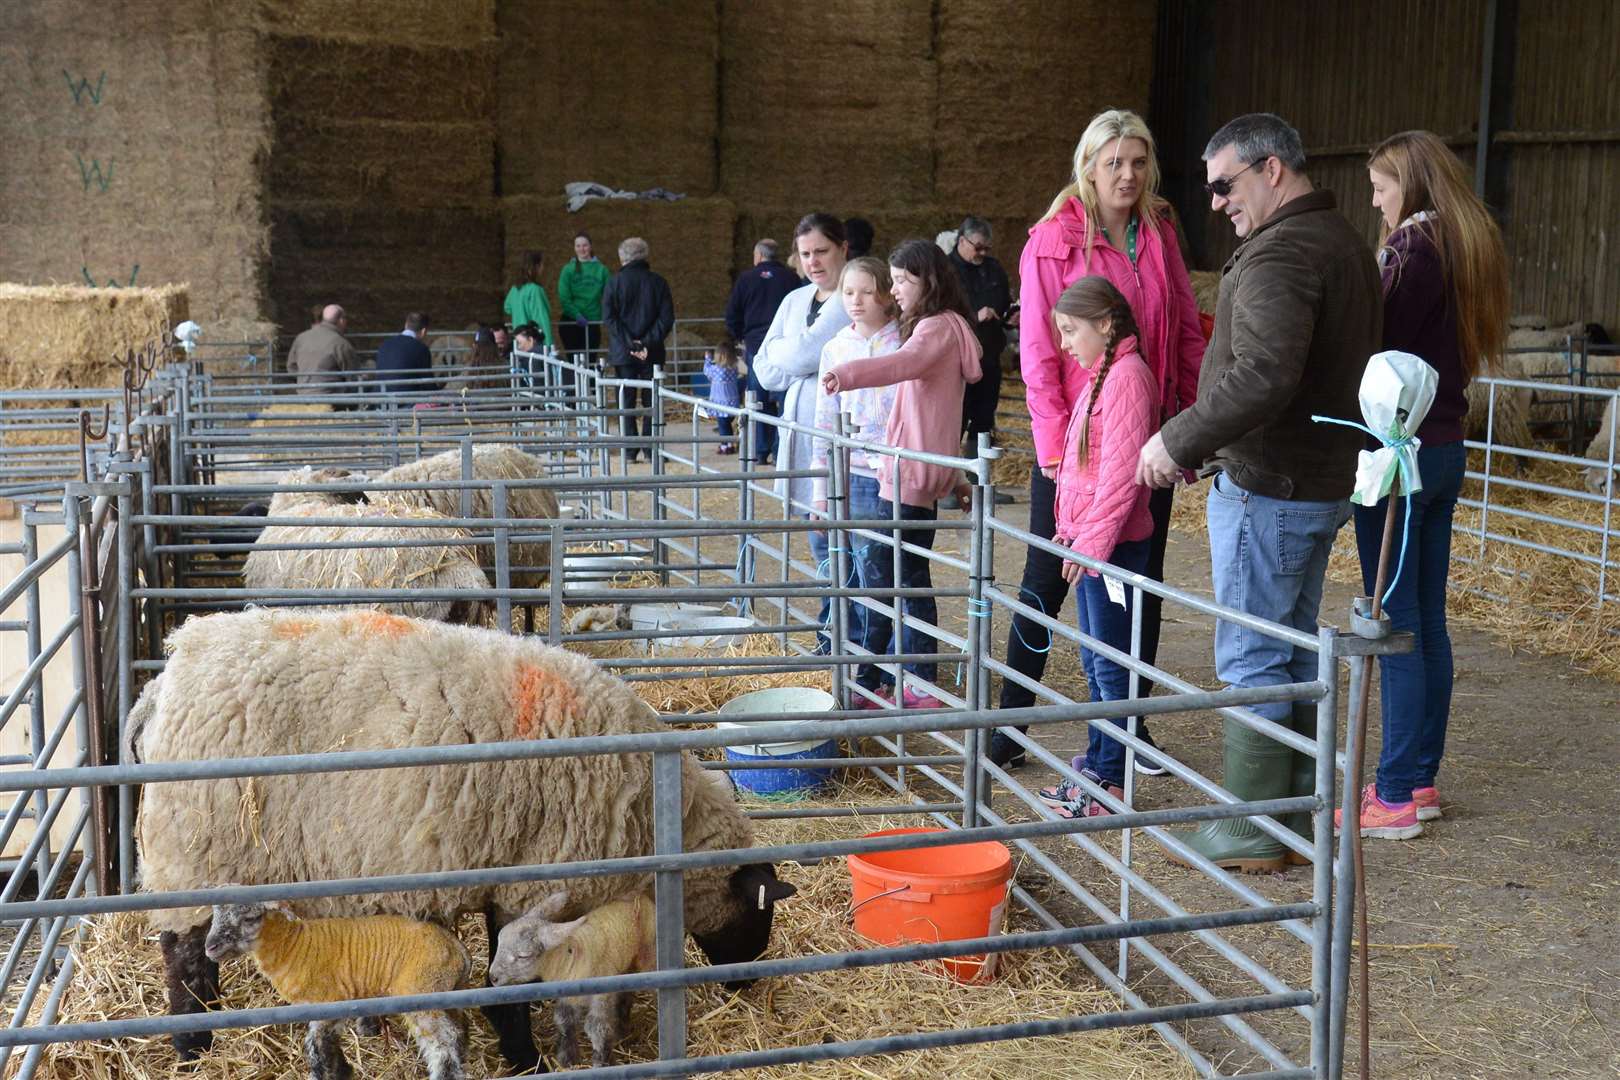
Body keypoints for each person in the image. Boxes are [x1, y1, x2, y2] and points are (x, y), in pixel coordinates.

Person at [1136, 112, 1381, 872]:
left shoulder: (1283, 254)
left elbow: (1264, 374)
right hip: (1318, 478)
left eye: (1224, 184)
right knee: (1292, 645)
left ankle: (1251, 827)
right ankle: (1295, 817)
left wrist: (1178, 438)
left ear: (1271, 168)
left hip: (1270, 481)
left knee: (1252, 657)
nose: (1214, 202)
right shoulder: (1341, 241)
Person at [993, 109, 1205, 771]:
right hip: (1075, 446)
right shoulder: (1053, 241)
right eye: (1113, 161)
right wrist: (1057, 450)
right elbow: (1037, 354)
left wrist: (1190, 425)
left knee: (1139, 581)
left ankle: (1129, 730)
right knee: (1045, 581)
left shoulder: (1160, 231)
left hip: (1149, 441)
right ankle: (1012, 719)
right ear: (1088, 166)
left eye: (1138, 161)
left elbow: (1186, 329)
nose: (1127, 174)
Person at [1336, 131, 1509, 840]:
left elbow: (1373, 345)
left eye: (1381, 185)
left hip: (1400, 455)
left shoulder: (1411, 253)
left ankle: (1397, 791)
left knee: (1397, 622)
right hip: (1446, 449)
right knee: (1426, 618)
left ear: (1408, 181)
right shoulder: (1465, 243)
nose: (1374, 199)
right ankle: (1423, 777)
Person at [821, 239, 982, 709]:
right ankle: (899, 678)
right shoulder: (950, 326)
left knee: (893, 582)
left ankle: (899, 681)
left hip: (906, 468)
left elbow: (901, 364)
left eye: (900, 281)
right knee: (905, 577)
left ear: (926, 281)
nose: (895, 290)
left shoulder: (933, 329)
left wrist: (847, 374)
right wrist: (953, 476)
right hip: (924, 468)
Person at [1025, 278, 1159, 818]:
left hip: (1111, 550)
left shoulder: (1126, 378)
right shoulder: (1102, 375)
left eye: (1070, 330)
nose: (1064, 343)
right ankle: (1102, 765)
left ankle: (1110, 783)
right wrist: (1071, 529)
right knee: (1096, 659)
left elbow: (1121, 478)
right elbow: (1088, 469)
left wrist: (1091, 546)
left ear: (1105, 324)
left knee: (1110, 666)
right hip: (1093, 546)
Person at [755, 214, 854, 644]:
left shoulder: (853, 297)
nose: (813, 261)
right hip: (801, 435)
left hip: (839, 435)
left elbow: (797, 358)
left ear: (843, 249)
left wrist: (790, 355)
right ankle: (833, 632)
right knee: (820, 539)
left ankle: (842, 638)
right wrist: (792, 357)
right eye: (806, 253)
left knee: (844, 540)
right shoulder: (795, 300)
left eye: (822, 251)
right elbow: (764, 370)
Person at [812, 257, 902, 686]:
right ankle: (851, 662)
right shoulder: (836, 347)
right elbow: (823, 423)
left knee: (877, 574)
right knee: (847, 570)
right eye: (849, 292)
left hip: (888, 474)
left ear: (887, 293)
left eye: (867, 291)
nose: (857, 301)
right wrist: (819, 489)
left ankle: (871, 668)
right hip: (848, 474)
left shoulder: (902, 343)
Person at [725, 238, 801, 463]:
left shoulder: (746, 279)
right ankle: (781, 451)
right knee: (785, 399)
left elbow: (732, 313)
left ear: (758, 256)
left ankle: (760, 450)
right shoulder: (791, 278)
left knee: (757, 399)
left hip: (757, 346)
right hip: (785, 346)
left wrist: (741, 336)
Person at [601, 236, 675, 460]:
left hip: (624, 353)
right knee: (652, 399)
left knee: (627, 400)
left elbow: (609, 317)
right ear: (645, 256)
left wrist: (629, 343)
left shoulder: (614, 283)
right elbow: (666, 318)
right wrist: (646, 343)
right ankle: (651, 450)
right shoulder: (659, 283)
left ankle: (630, 450)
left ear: (622, 258)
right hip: (651, 352)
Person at [948, 216, 1013, 447]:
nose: (982, 253)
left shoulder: (994, 269)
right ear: (961, 240)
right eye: (978, 247)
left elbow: (1005, 304)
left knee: (984, 421)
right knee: (955, 421)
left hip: (989, 358)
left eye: (987, 248)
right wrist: (975, 316)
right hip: (957, 363)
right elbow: (937, 319)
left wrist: (1012, 317)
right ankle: (949, 475)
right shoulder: (945, 272)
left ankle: (977, 477)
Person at [287, 304, 358, 404]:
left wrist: (305, 383)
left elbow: (291, 368)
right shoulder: (341, 343)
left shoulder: (301, 338)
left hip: (303, 398)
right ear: (341, 320)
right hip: (332, 401)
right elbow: (352, 376)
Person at [557, 232, 609, 362]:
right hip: (571, 321)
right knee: (574, 362)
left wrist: (607, 315)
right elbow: (564, 297)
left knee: (590, 361)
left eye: (585, 245)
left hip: (592, 321)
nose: (582, 249)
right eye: (578, 246)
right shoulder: (568, 269)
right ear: (574, 248)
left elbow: (610, 295)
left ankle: (590, 383)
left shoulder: (601, 270)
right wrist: (576, 315)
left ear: (590, 246)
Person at [375, 312, 438, 396]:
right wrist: (439, 394)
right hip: (407, 402)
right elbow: (427, 382)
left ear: (406, 325)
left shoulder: (384, 344)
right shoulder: (421, 348)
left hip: (381, 399)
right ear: (423, 331)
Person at [504, 251, 557, 352]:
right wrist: (549, 345)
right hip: (534, 342)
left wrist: (519, 311)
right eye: (542, 265)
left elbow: (507, 307)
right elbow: (542, 319)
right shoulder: (535, 290)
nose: (543, 268)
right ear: (535, 267)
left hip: (519, 341)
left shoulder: (515, 289)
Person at [703, 343, 744, 455]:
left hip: (720, 404)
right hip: (732, 403)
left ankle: (725, 445)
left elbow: (706, 370)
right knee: (727, 424)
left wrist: (707, 358)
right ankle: (729, 444)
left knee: (723, 426)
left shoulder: (716, 370)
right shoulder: (733, 370)